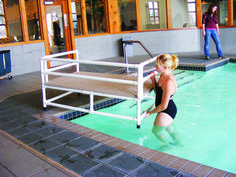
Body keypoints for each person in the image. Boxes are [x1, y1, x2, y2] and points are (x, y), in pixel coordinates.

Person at [144, 54, 181, 146]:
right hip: (166, 109)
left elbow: (164, 105)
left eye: (157, 66)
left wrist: (149, 113)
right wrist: (153, 81)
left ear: (164, 67)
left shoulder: (168, 82)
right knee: (169, 129)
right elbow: (159, 94)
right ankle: (178, 144)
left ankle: (167, 147)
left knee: (156, 131)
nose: (155, 67)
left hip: (166, 110)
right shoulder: (163, 75)